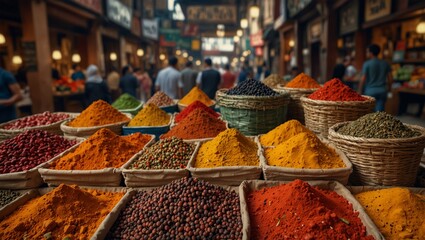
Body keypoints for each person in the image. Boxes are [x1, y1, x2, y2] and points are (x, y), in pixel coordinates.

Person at [359, 44, 393, 112]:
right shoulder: (385, 63)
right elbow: (390, 78)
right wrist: (389, 89)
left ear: (371, 53)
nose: (366, 54)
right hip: (382, 91)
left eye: (367, 52)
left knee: (370, 114)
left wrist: (359, 91)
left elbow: (363, 79)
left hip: (370, 92)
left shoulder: (367, 64)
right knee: (380, 114)